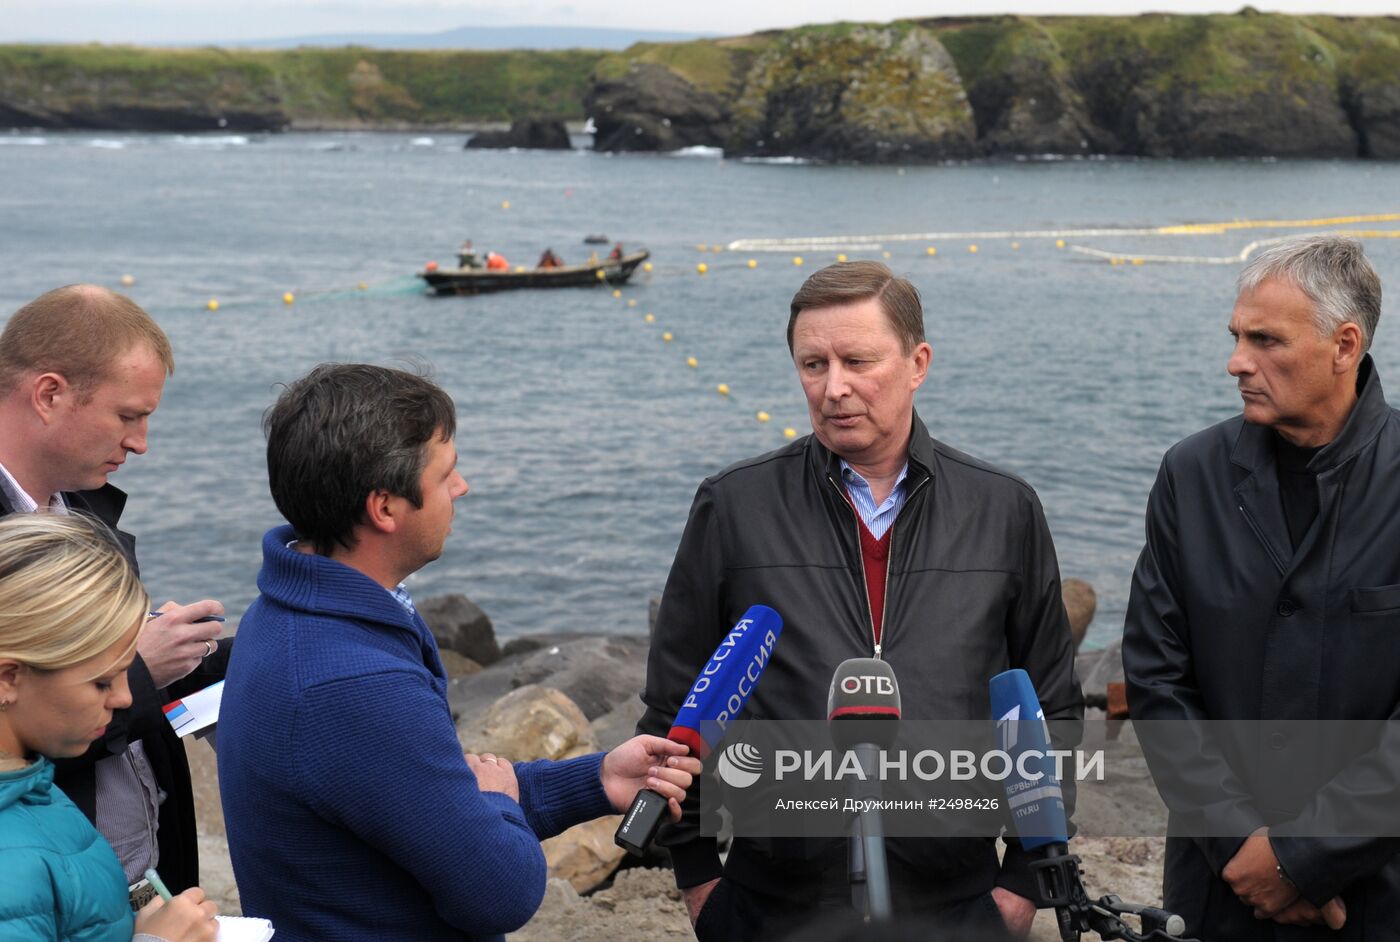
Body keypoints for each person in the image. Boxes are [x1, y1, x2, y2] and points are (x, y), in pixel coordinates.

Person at [640, 261, 1082, 940]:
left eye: (857, 360)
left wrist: (1021, 885)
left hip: (957, 904)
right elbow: (675, 710)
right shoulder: (735, 506)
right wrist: (703, 885)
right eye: (813, 364)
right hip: (769, 905)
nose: (834, 387)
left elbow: (1051, 709)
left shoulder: (1004, 510)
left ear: (917, 363)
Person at [218, 363, 702, 942]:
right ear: (385, 509)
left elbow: (428, 806)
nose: (462, 486)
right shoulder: (350, 682)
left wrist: (597, 780)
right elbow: (502, 892)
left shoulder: (288, 615)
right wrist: (498, 801)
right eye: (445, 473)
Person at [1123, 235, 1397, 939]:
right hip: (1220, 894)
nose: (1236, 361)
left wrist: (1304, 859)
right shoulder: (1191, 475)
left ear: (1344, 345)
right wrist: (1246, 850)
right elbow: (1158, 680)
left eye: (1266, 340)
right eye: (1237, 336)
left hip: (1377, 897)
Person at [0, 285, 229, 902]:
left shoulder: (83, 511)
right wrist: (140, 670)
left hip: (132, 875)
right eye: (128, 416)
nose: (141, 442)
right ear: (49, 395)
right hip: (44, 889)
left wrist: (211, 656)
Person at [0, 512, 219, 942]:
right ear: (8, 678)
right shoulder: (12, 866)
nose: (124, 698)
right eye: (103, 681)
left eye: (126, 672)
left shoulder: (36, 787)